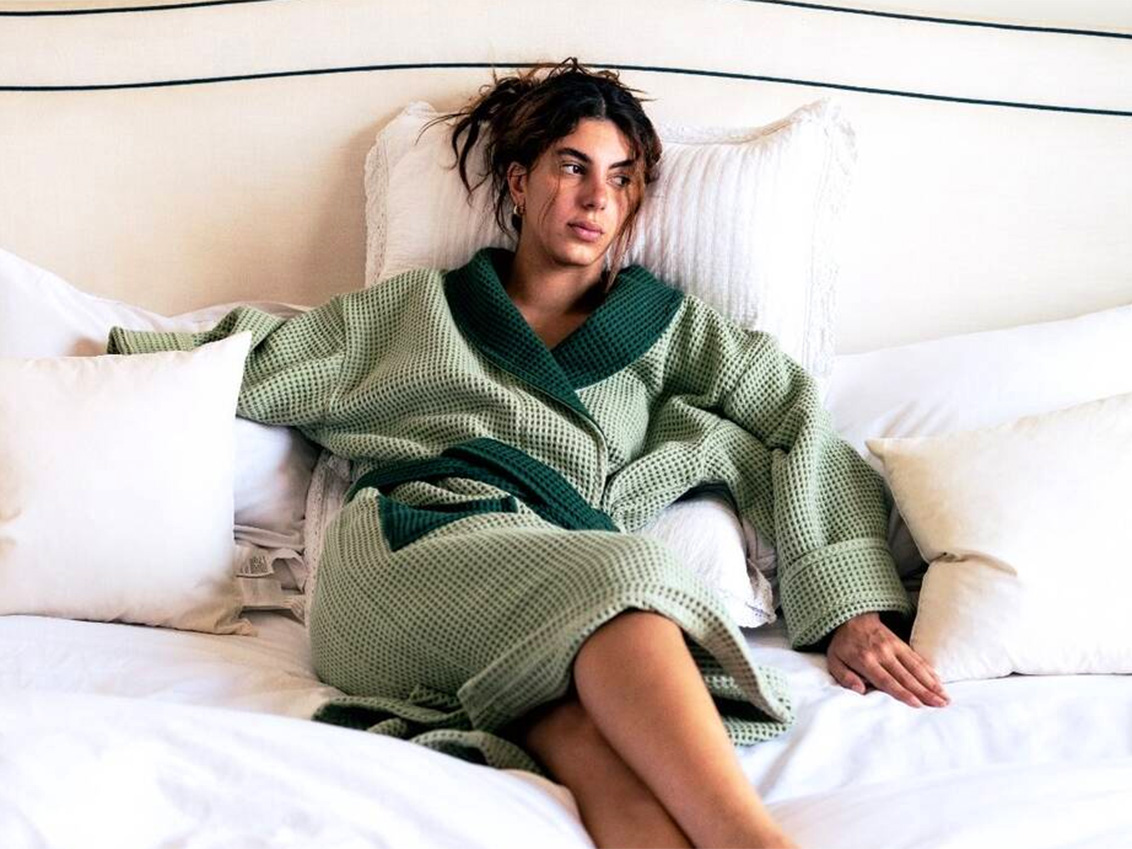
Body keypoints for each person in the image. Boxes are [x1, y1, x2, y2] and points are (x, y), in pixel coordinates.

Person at [108, 58, 949, 849]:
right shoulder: (416, 311)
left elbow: (793, 418)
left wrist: (850, 608)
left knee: (586, 738)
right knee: (633, 583)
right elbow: (242, 360)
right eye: (571, 166)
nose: (596, 197)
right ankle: (753, 838)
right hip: (402, 552)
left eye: (621, 178)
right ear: (519, 181)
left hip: (547, 578)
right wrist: (93, 366)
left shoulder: (671, 331)